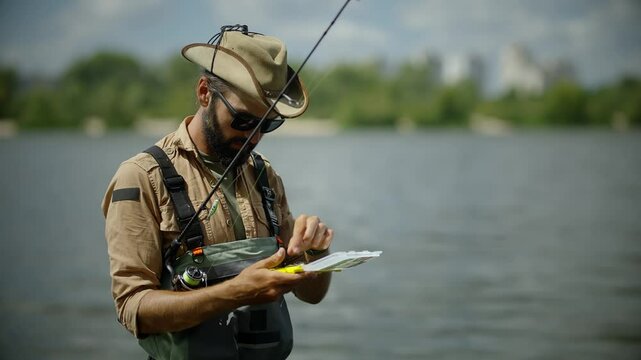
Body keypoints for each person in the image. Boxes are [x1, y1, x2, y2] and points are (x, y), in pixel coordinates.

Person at [102, 26, 333, 360]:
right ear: (204, 93)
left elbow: (312, 295)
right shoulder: (140, 177)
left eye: (267, 124)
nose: (254, 137)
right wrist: (234, 293)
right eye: (242, 119)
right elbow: (132, 309)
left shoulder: (265, 175)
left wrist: (315, 255)